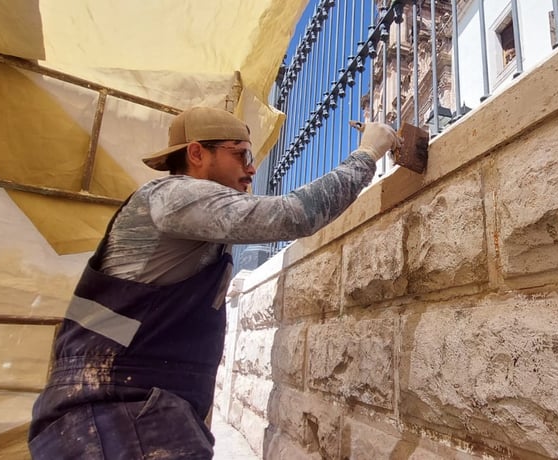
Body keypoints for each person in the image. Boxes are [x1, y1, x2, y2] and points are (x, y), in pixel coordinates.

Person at [27, 106, 399, 459]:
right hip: (113, 410)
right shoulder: (172, 196)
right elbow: (294, 214)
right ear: (196, 154)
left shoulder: (189, 223)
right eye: (240, 155)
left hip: (130, 406)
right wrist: (367, 153)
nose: (252, 169)